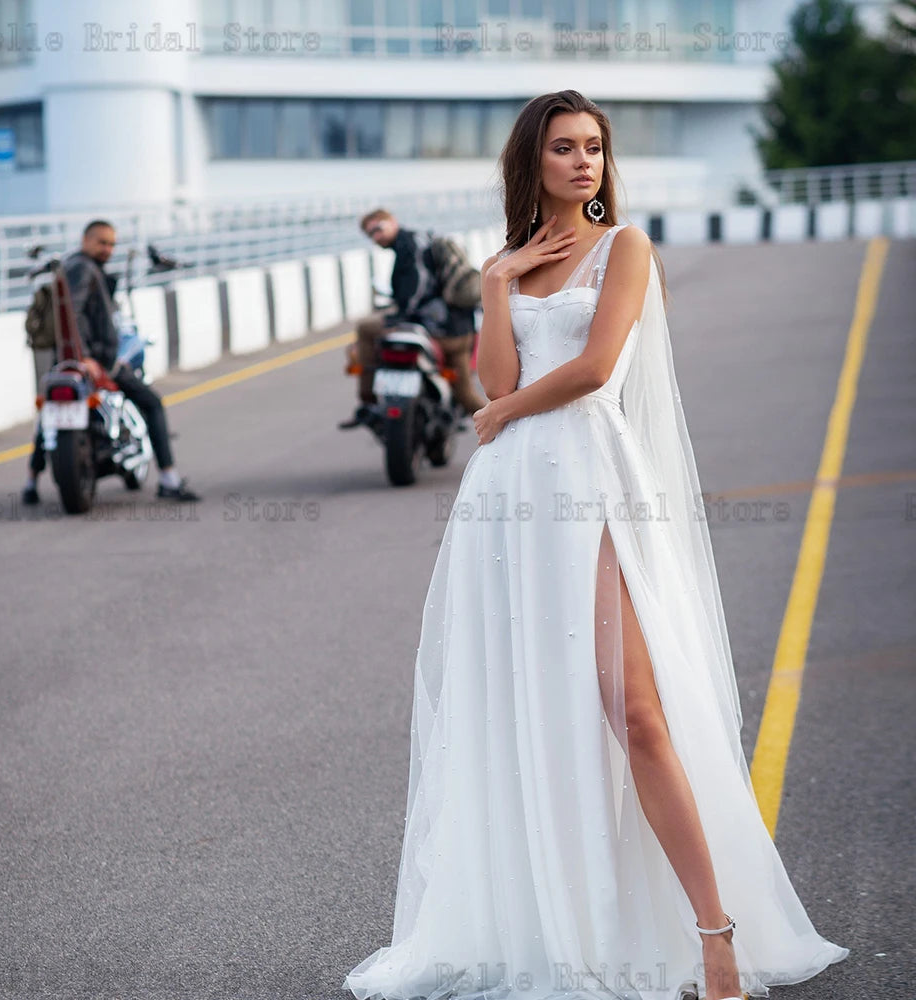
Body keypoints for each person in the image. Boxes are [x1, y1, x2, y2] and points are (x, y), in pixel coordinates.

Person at [342, 91, 848, 1000]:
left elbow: (593, 368)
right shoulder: (506, 263)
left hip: (592, 480)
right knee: (527, 712)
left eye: (595, 150)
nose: (585, 164)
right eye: (565, 149)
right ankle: (562, 927)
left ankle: (715, 930)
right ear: (531, 161)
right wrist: (497, 286)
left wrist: (497, 412)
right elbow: (494, 374)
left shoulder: (626, 247)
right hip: (508, 502)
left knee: (635, 711)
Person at [22, 220, 200, 503]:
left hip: (67, 360)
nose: (107, 249)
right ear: (85, 240)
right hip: (96, 361)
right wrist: (88, 358)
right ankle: (169, 478)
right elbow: (75, 313)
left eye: (111, 244)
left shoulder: (76, 267)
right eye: (101, 242)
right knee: (152, 404)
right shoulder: (83, 269)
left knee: (50, 415)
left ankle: (31, 483)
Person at [339, 209, 488, 429]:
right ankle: (502, 430)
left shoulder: (409, 246)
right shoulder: (423, 241)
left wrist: (401, 315)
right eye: (371, 235)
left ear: (392, 222)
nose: (376, 237)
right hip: (459, 327)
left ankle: (368, 400)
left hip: (437, 328)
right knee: (465, 392)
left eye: (378, 229)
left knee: (365, 328)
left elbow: (417, 284)